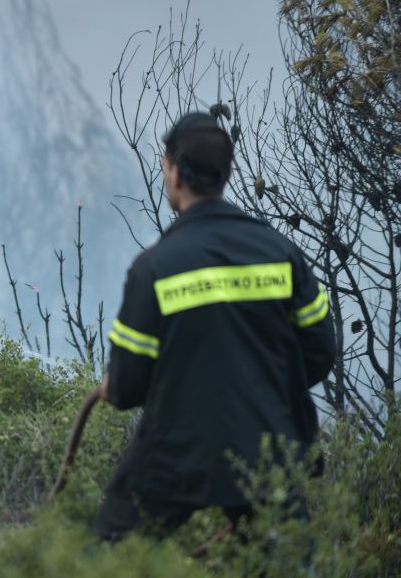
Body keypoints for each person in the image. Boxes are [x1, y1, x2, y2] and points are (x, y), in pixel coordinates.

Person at [94, 112, 336, 540]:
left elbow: (127, 385)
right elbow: (319, 353)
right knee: (283, 564)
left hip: (177, 451)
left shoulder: (153, 269)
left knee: (112, 550)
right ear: (227, 173)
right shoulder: (283, 254)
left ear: (172, 170)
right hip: (269, 446)